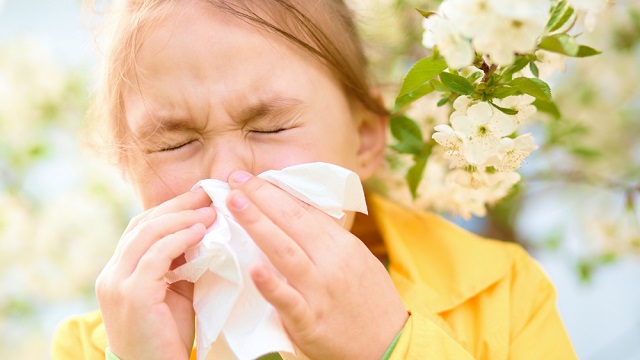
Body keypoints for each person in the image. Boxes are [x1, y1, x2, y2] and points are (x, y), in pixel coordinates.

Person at [52, 0, 577, 359]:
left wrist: (387, 346)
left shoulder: (500, 296)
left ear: (366, 138)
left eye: (270, 126)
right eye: (174, 143)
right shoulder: (97, 346)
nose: (226, 177)